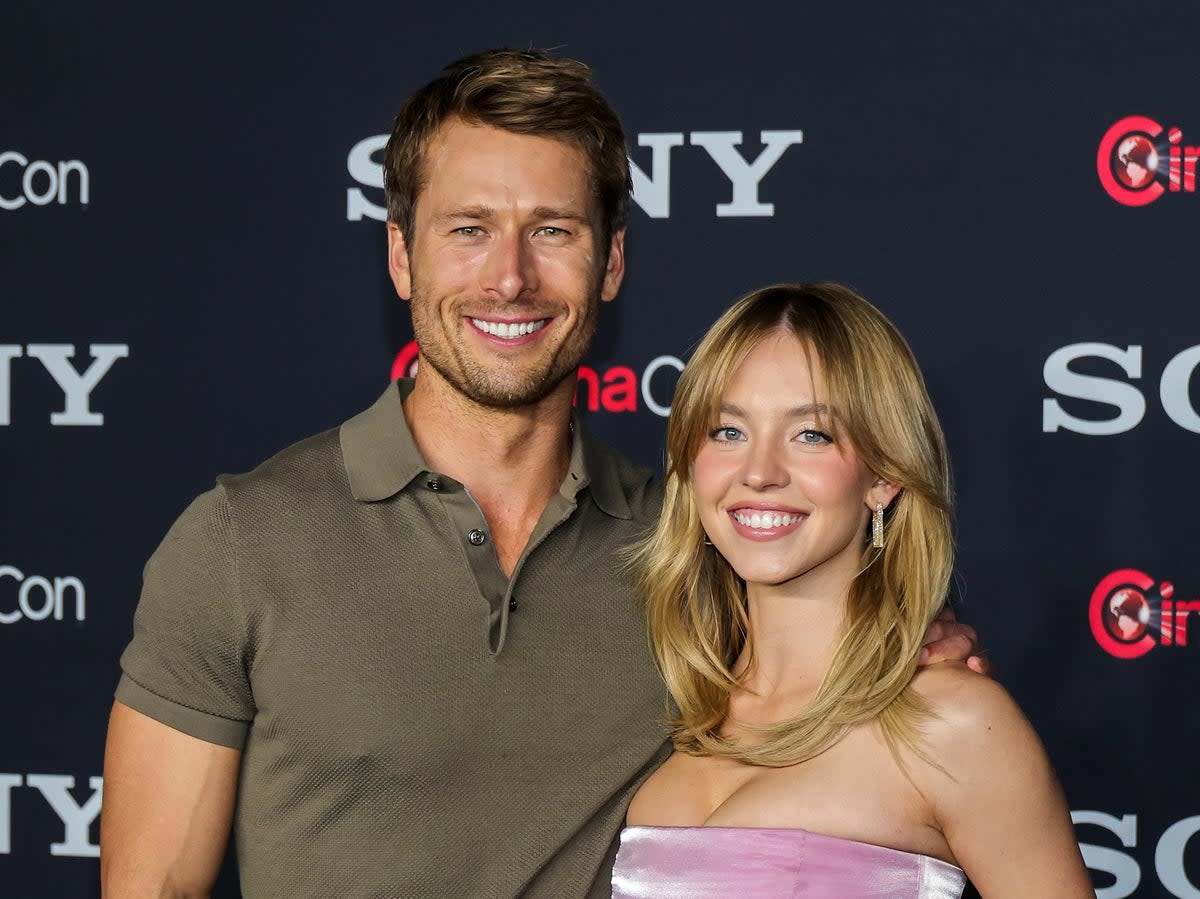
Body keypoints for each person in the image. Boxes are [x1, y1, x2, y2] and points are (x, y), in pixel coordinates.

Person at [100, 51, 984, 898]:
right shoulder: (240, 540)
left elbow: (835, 650)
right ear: (403, 256)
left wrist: (910, 641)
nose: (511, 278)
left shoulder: (695, 551)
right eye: (470, 230)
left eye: (552, 231)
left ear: (613, 262)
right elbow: (157, 885)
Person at [615, 283, 1092, 898]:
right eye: (727, 432)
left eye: (810, 435)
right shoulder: (662, 711)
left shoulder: (954, 723)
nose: (759, 472)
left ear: (884, 477)